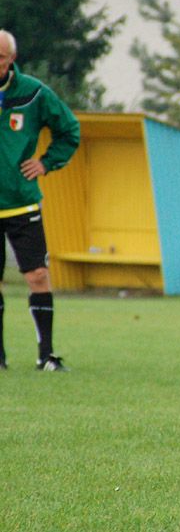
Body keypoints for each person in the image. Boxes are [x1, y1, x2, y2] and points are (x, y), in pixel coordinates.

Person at [0, 29, 80, 372]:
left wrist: (46, 162)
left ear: (12, 59)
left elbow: (69, 130)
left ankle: (45, 355)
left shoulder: (32, 93)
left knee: (37, 276)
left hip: (22, 203)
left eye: (0, 57)